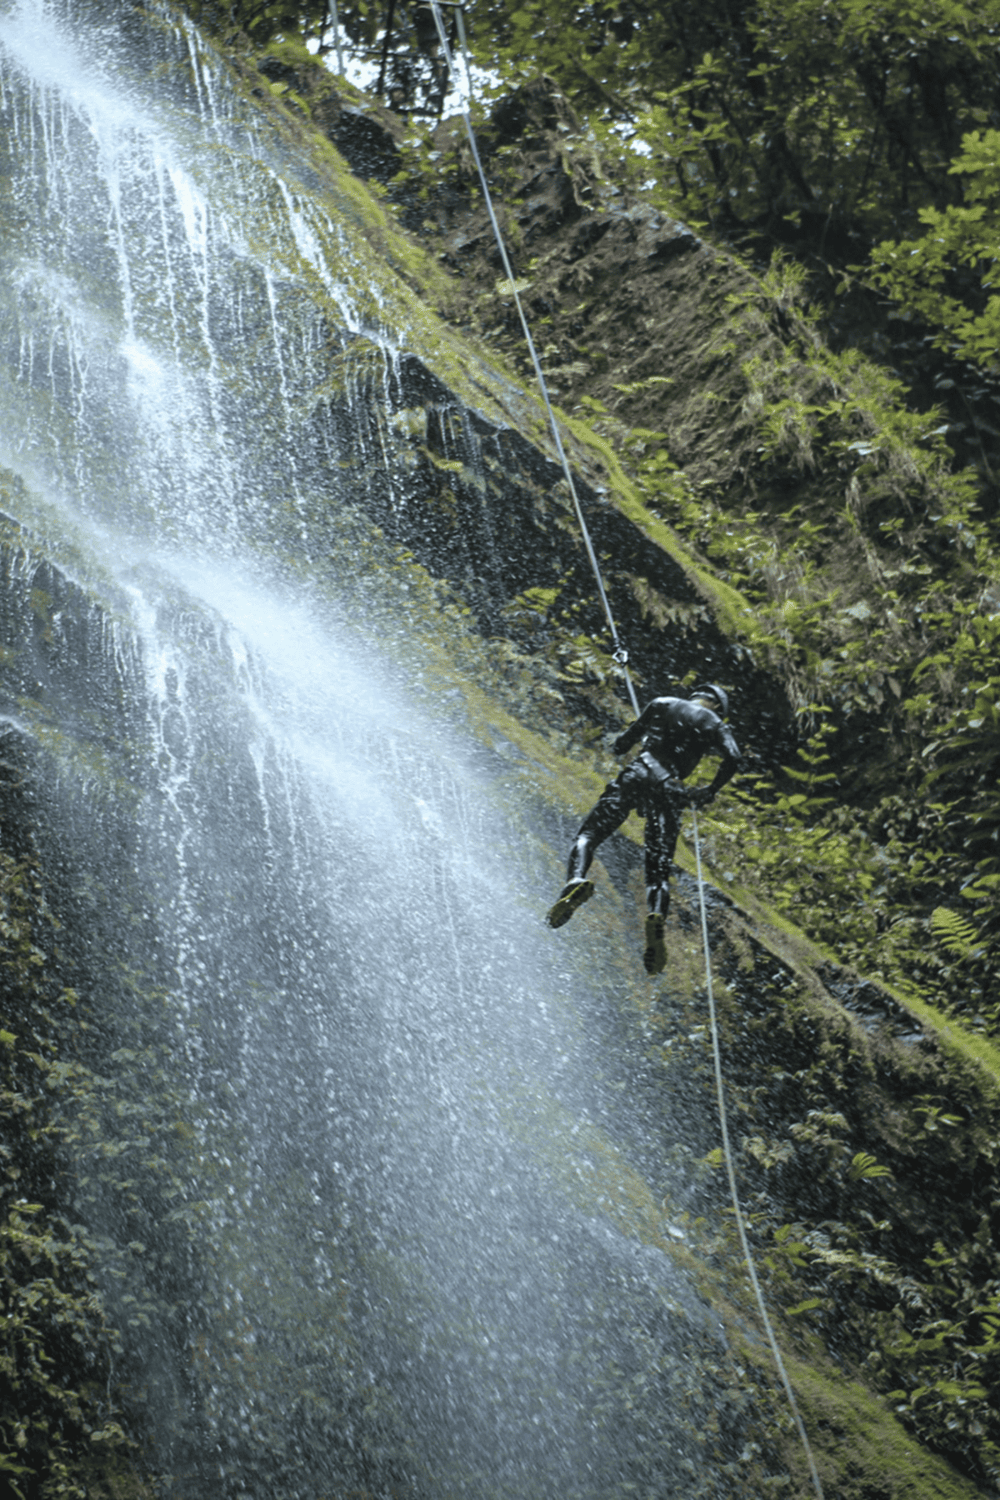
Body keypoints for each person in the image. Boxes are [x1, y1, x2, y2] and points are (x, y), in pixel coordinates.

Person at [546, 684, 742, 974]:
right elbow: (734, 758)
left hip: (637, 774)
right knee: (658, 870)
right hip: (670, 789)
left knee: (589, 836)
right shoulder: (714, 724)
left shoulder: (663, 702)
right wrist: (710, 790)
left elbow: (624, 742)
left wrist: (623, 744)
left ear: (696, 695)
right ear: (718, 707)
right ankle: (655, 916)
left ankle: (574, 880)